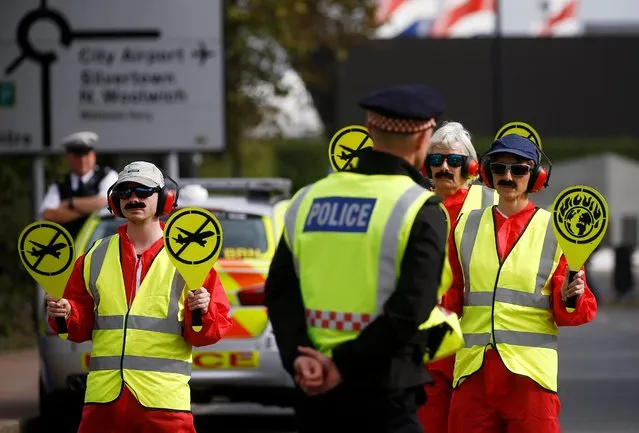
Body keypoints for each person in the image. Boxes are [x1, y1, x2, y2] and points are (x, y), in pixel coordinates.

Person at [265, 84, 450, 433]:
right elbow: (410, 308)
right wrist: (342, 366)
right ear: (422, 138)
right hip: (385, 391)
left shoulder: (308, 199)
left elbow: (279, 292)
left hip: (314, 389)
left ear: (369, 131)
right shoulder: (420, 208)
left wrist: (299, 359)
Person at [45, 161, 232, 433]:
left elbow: (207, 334)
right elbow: (77, 329)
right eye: (125, 192)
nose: (134, 198)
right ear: (114, 201)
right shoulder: (94, 256)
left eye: (144, 191)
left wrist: (201, 310)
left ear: (165, 198)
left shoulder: (190, 258)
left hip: (164, 403)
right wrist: (65, 314)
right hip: (103, 403)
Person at [444, 135, 598, 433]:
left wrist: (570, 296)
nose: (507, 176)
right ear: (488, 174)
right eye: (499, 168)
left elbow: (574, 312)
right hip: (474, 375)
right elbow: (448, 299)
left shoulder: (557, 231)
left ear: (536, 176)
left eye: (519, 170)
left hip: (530, 379)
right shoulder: (464, 226)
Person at [417, 121, 498, 433]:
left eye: (454, 161)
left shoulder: (492, 203)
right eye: (436, 160)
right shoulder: (414, 204)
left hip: (479, 344)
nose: (445, 168)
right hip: (432, 343)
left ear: (472, 166)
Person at [40, 132, 118, 238]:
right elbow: (48, 214)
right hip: (70, 246)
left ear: (93, 155)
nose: (82, 160)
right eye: (77, 156)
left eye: (86, 155)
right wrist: (90, 209)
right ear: (68, 157)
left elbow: (106, 202)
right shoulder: (60, 184)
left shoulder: (107, 175)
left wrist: (70, 203)